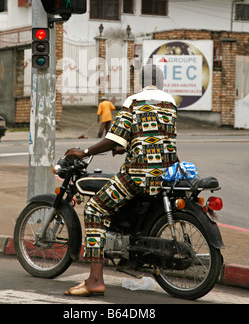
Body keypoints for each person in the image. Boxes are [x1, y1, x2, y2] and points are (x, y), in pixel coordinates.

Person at [64, 64, 178, 297]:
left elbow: (114, 136)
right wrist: (123, 147)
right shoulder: (171, 102)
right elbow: (152, 136)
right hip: (166, 173)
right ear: (162, 81)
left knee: (95, 209)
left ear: (141, 80)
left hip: (139, 173)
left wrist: (84, 151)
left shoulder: (133, 101)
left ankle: (95, 280)